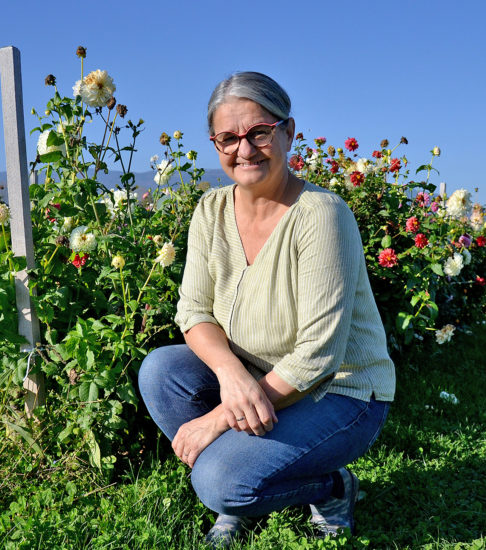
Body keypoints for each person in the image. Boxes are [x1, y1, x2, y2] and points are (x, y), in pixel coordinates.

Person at [138, 71, 395, 546]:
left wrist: (218, 418)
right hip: (258, 376)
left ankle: (329, 486)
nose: (245, 149)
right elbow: (193, 310)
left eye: (259, 132)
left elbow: (318, 356)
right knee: (161, 370)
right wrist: (233, 378)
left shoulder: (320, 215)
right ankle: (249, 476)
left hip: (340, 391)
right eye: (228, 138)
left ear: (288, 131)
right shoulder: (211, 210)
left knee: (217, 484)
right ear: (215, 143)